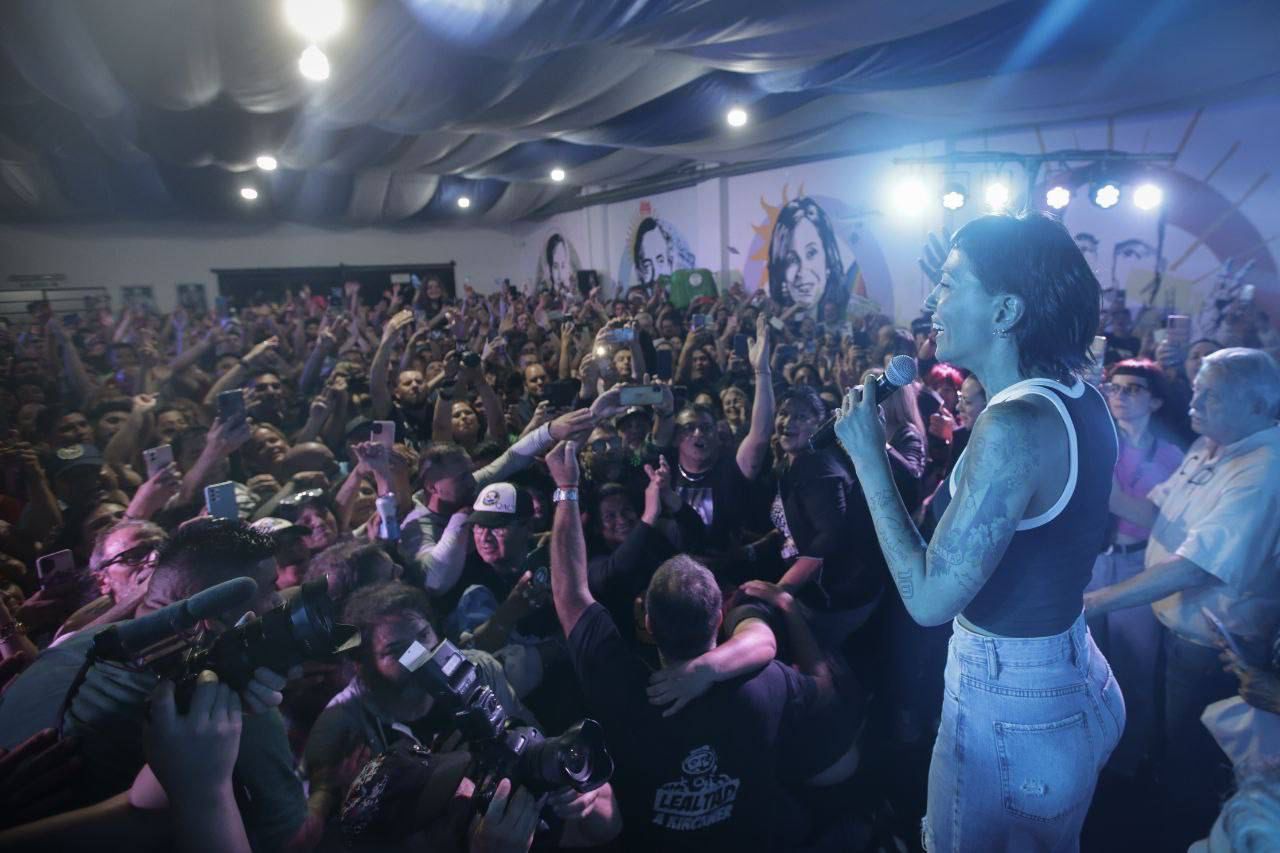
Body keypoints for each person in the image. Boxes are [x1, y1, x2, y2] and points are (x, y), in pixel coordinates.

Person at [837, 213, 1124, 851]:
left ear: (1005, 311)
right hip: (1067, 677)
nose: (931, 304)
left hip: (1014, 705)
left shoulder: (1014, 425)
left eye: (947, 284)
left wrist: (869, 459)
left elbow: (928, 600)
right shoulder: (1078, 396)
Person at [545, 441, 860, 851]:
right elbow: (823, 692)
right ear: (718, 618)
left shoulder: (619, 685)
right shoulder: (767, 682)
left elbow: (569, 594)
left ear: (648, 624)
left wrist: (566, 489)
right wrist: (785, 610)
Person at [0, 519, 306, 851]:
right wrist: (325, 782)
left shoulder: (69, 646)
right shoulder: (219, 706)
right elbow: (293, 840)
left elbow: (140, 808)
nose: (279, 603)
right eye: (271, 590)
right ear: (215, 614)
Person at [1085, 347, 1280, 846]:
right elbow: (1156, 513)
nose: (1195, 401)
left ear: (1257, 405)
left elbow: (1196, 565)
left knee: (1193, 764)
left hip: (1212, 647)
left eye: (1211, 395)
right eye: (1197, 390)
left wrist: (1096, 601)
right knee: (1169, 743)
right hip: (1176, 628)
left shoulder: (1263, 468)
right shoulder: (1209, 445)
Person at [1083, 359, 1185, 777]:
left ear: (1156, 401)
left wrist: (1119, 500)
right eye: (1115, 387)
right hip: (1091, 561)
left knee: (1134, 668)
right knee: (1087, 664)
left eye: (1133, 388)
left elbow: (1164, 521)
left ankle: (1127, 761)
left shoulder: (1172, 455)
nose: (1120, 395)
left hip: (1137, 565)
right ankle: (1090, 753)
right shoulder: (1097, 440)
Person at [769, 384, 885, 648]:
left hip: (841, 594)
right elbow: (792, 525)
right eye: (783, 413)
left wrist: (780, 591)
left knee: (821, 661)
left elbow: (830, 536)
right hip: (825, 593)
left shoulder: (818, 466)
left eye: (800, 416)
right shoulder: (795, 459)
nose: (787, 422)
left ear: (818, 424)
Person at [767, 196, 847, 319]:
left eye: (811, 253)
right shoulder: (780, 314)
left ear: (828, 259)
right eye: (791, 260)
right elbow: (774, 325)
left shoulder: (836, 315)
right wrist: (794, 308)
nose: (802, 271)